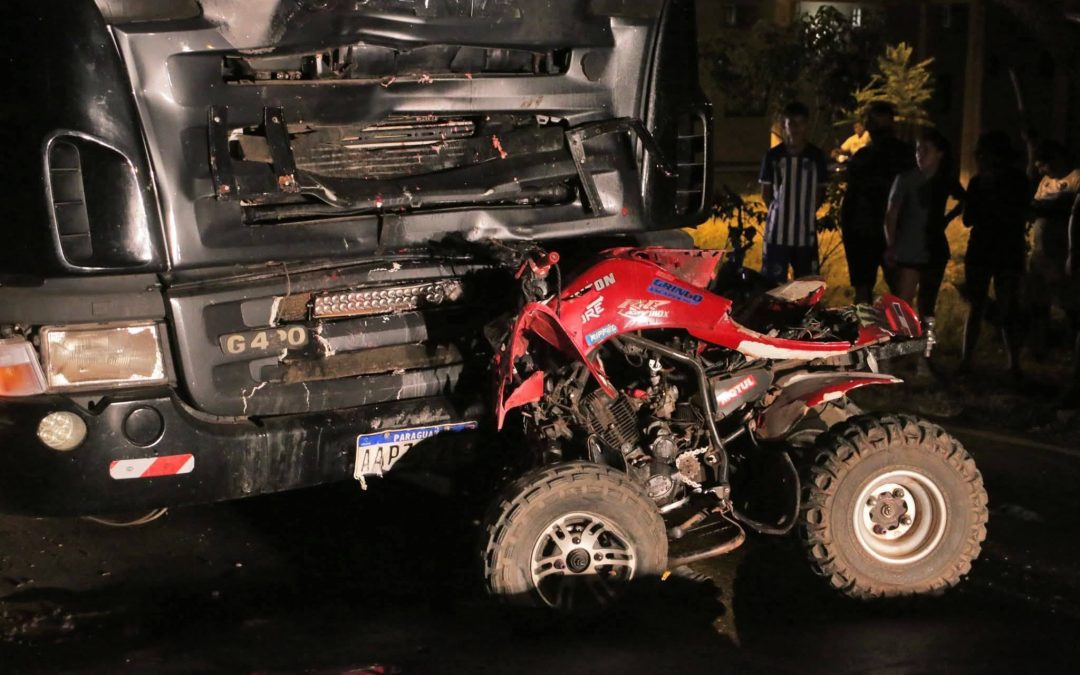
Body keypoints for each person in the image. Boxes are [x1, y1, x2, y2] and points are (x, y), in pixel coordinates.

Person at [959, 131, 1030, 379]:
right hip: (1009, 249)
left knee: (976, 306)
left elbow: (968, 219)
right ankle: (1013, 364)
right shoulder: (1019, 180)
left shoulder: (979, 182)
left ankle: (967, 361)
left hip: (982, 248)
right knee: (1008, 306)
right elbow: (1025, 214)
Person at [883, 128, 964, 323]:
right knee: (903, 302)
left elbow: (964, 199)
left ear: (939, 154)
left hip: (934, 247)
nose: (920, 154)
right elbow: (891, 215)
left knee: (927, 305)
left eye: (926, 150)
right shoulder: (905, 180)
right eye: (918, 150)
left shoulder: (944, 181)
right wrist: (891, 245)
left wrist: (946, 219)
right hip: (909, 247)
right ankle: (901, 347)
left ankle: (924, 349)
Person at [841, 101, 916, 304]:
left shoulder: (863, 158)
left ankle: (867, 333)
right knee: (900, 295)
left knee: (865, 294)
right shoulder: (907, 156)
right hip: (891, 233)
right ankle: (900, 333)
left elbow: (849, 203)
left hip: (865, 232)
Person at [758, 102, 829, 283]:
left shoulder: (816, 156)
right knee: (772, 285)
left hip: (805, 234)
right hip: (777, 233)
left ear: (807, 125)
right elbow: (766, 191)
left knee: (807, 286)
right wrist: (779, 210)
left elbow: (821, 191)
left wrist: (806, 212)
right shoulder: (773, 156)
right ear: (784, 125)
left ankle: (803, 312)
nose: (797, 128)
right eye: (792, 123)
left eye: (801, 123)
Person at [1025, 141, 1080, 363]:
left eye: (1043, 165)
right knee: (1038, 302)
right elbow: (1034, 206)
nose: (1040, 171)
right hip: (1039, 253)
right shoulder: (1046, 181)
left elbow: (1072, 212)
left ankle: (1072, 347)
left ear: (1055, 160)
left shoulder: (1076, 179)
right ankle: (1040, 347)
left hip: (1061, 253)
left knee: (1069, 303)